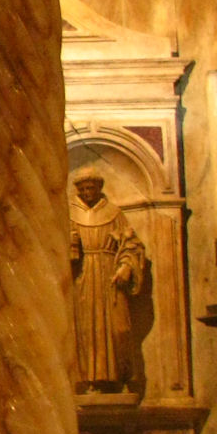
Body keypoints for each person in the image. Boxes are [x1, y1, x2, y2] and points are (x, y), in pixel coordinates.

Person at [68, 166, 146, 392]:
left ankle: (118, 377)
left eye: (91, 188)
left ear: (99, 187)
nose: (87, 192)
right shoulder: (69, 214)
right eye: (83, 189)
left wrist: (126, 267)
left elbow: (132, 245)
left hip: (110, 276)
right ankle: (90, 380)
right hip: (83, 277)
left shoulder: (114, 214)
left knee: (119, 329)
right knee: (86, 330)